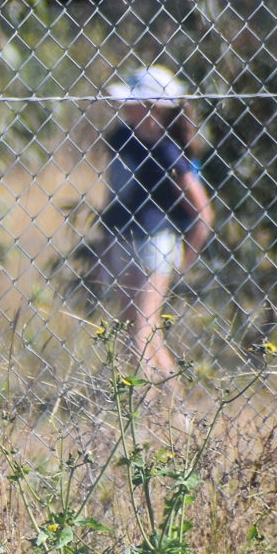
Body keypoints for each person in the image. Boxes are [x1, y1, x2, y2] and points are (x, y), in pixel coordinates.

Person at [99, 68, 212, 379]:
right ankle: (175, 405)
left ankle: (145, 404)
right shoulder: (121, 138)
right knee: (139, 331)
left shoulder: (168, 153)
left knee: (139, 333)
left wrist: (182, 262)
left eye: (133, 101)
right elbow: (112, 196)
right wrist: (104, 247)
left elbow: (202, 213)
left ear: (154, 107)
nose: (124, 106)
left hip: (155, 244)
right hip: (122, 238)